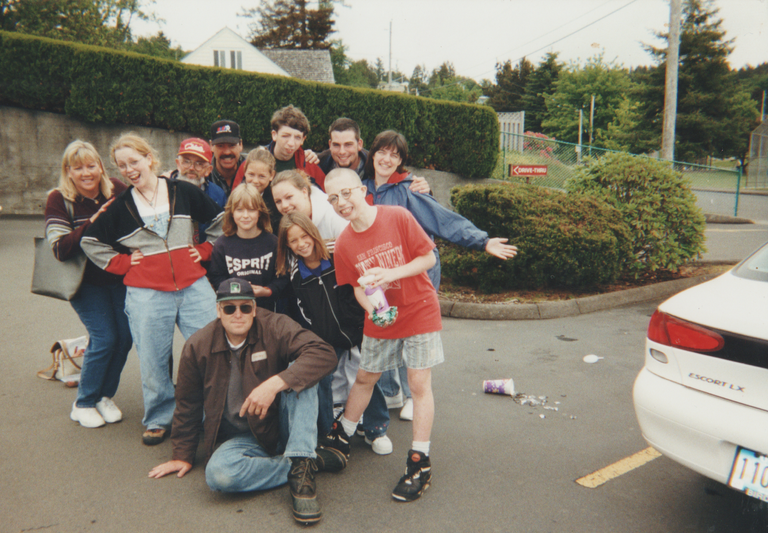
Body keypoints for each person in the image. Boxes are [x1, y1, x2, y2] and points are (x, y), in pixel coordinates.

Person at [148, 278, 342, 525]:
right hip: (243, 436)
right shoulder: (197, 345)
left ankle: (302, 474)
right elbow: (188, 403)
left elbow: (324, 353)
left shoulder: (274, 325)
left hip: (283, 421)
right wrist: (182, 455)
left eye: (245, 307)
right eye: (229, 308)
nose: (237, 314)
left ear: (254, 308)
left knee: (301, 371)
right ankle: (306, 461)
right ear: (218, 311)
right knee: (218, 475)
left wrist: (275, 383)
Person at [364, 130, 519, 421]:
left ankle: (412, 395)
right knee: (386, 325)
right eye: (382, 152)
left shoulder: (409, 190)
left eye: (394, 155)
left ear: (401, 161)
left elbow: (443, 219)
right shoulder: (361, 189)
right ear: (372, 154)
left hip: (416, 271)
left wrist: (482, 240)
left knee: (412, 333)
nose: (386, 159)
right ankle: (391, 390)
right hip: (382, 274)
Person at [81, 133, 225, 446]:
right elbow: (89, 241)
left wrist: (203, 250)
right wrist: (123, 263)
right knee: (153, 358)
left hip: (193, 286)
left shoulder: (183, 190)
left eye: (134, 161)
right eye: (121, 166)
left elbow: (220, 221)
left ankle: (213, 413)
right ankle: (159, 418)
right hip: (146, 294)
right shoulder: (119, 206)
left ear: (150, 158)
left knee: (213, 349)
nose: (129, 169)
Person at [320, 168, 443, 502]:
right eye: (333, 198)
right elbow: (357, 289)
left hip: (418, 308)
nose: (341, 203)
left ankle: (419, 461)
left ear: (362, 190)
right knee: (365, 377)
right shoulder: (344, 242)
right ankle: (342, 434)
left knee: (418, 385)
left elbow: (428, 257)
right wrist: (373, 308)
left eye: (346, 193)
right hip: (382, 316)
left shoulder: (398, 217)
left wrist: (391, 273)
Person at [275, 212, 392, 455]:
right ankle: (331, 432)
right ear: (287, 244)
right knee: (322, 381)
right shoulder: (296, 276)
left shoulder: (338, 257)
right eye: (293, 241)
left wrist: (367, 317)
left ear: (313, 233)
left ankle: (376, 428)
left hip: (358, 330)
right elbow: (301, 312)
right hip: (325, 338)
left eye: (304, 236)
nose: (301, 244)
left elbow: (362, 288)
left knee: (367, 377)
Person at [45, 140, 133, 428]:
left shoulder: (117, 190)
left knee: (125, 337)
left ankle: (103, 396)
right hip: (84, 283)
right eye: (78, 167)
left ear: (100, 167)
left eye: (91, 165)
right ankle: (83, 402)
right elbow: (59, 248)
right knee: (105, 338)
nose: (86, 172)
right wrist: (92, 223)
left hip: (119, 278)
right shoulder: (58, 198)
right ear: (68, 171)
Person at [209, 183, 287, 311]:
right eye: (239, 210)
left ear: (260, 212)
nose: (245, 215)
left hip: (267, 309)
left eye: (251, 210)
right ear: (231, 213)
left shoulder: (273, 242)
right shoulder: (222, 244)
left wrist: (266, 291)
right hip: (235, 309)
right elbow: (216, 277)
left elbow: (283, 278)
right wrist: (236, 290)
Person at [317, 117, 430, 194]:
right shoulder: (320, 163)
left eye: (348, 145)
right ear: (330, 144)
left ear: (359, 144)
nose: (342, 151)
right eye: (336, 145)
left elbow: (400, 179)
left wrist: (425, 189)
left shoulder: (375, 166)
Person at [264, 105, 326, 190]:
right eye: (285, 136)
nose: (291, 143)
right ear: (274, 135)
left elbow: (327, 197)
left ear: (303, 140)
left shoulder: (310, 165)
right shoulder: (254, 161)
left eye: (297, 137)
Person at [165, 137, 226, 208]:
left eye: (199, 163)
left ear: (208, 170)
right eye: (186, 162)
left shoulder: (218, 195)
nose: (191, 168)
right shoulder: (164, 189)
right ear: (178, 164)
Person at [231, 147, 281, 232]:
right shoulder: (236, 196)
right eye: (251, 174)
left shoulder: (276, 200)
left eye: (261, 176)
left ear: (271, 175)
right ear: (245, 171)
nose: (255, 181)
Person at [208, 119, 246, 196]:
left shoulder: (252, 171)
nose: (227, 152)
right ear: (211, 146)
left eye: (232, 145)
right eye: (220, 146)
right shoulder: (204, 175)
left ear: (240, 145)